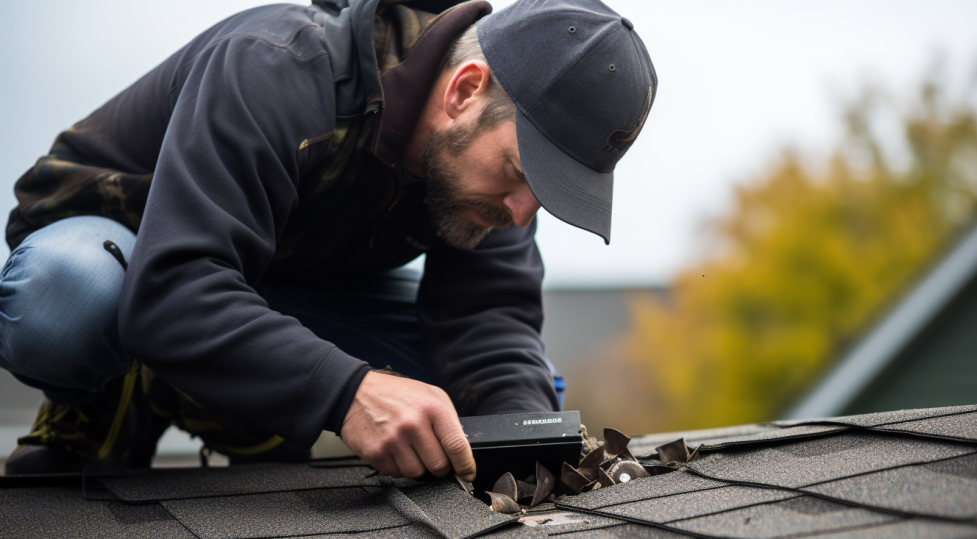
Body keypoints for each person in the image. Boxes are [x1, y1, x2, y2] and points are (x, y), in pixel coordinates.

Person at [0, 0, 657, 479]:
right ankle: (104, 400)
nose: (521, 212)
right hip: (138, 254)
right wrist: (345, 392)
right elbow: (175, 284)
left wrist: (523, 451)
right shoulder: (276, 67)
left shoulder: (494, 166)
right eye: (519, 173)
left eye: (543, 191)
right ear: (465, 90)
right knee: (65, 303)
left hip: (284, 287)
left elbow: (486, 320)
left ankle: (217, 393)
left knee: (517, 394)